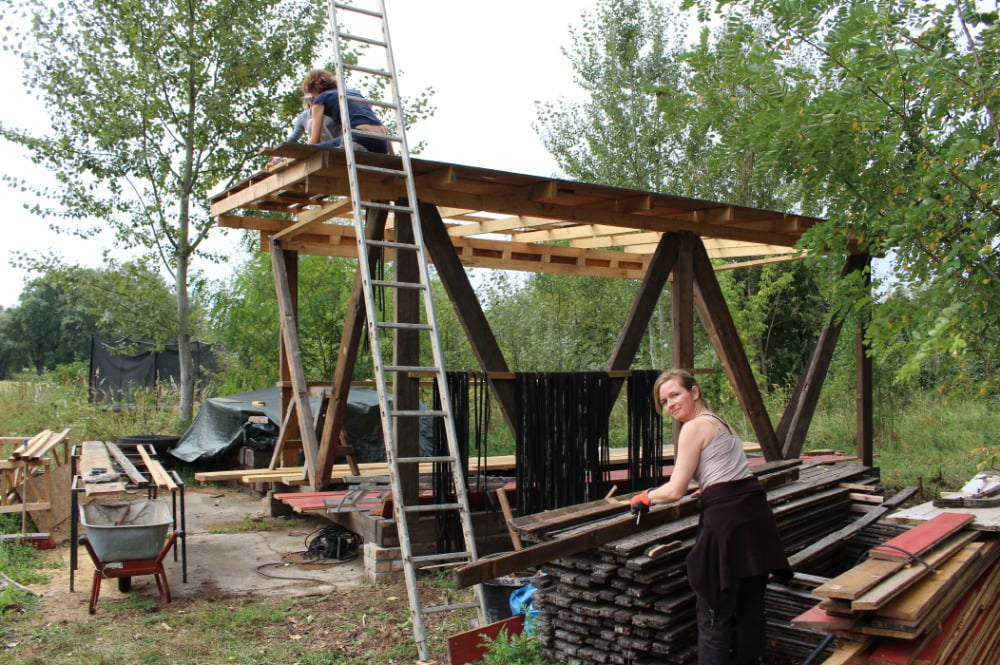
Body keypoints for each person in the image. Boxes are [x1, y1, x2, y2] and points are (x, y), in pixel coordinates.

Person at [629, 369, 791, 665]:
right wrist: (708, 491)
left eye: (675, 395)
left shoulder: (692, 428)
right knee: (751, 608)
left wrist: (646, 497)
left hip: (728, 525)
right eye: (664, 402)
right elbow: (730, 474)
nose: (670, 405)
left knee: (714, 613)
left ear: (695, 391)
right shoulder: (721, 424)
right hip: (756, 520)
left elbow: (675, 489)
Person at [301, 68, 391, 154]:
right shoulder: (354, 93)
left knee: (313, 151)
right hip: (382, 142)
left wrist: (313, 106)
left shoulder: (320, 100)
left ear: (311, 89)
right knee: (343, 138)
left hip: (360, 138)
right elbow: (378, 124)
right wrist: (392, 156)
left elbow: (314, 142)